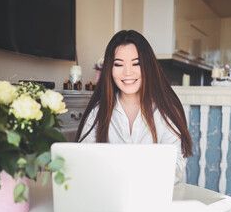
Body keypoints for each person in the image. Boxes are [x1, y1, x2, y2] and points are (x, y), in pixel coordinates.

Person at [75, 30, 192, 183]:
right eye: (118, 64)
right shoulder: (98, 111)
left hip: (155, 195)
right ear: (109, 69)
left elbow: (176, 166)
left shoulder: (165, 110)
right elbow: (83, 159)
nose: (128, 72)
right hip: (109, 196)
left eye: (136, 63)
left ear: (148, 67)